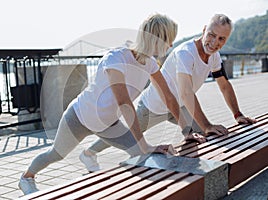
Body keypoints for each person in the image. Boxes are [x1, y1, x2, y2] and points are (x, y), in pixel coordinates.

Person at [18, 13, 183, 195]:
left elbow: (168, 97)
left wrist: (187, 131)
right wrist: (143, 142)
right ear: (159, 38)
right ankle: (26, 177)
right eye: (170, 40)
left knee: (140, 153)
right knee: (56, 154)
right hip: (80, 117)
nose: (171, 45)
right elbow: (124, 103)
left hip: (108, 124)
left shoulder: (151, 64)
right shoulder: (116, 58)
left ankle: (90, 159)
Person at [79, 13, 257, 172]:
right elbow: (186, 92)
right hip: (152, 108)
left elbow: (224, 85)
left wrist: (237, 114)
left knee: (202, 137)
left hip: (178, 108)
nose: (215, 42)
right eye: (211, 35)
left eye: (221, 39)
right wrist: (207, 124)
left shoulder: (215, 57)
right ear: (204, 30)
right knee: (124, 136)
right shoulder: (186, 53)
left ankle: (195, 174)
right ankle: (88, 153)